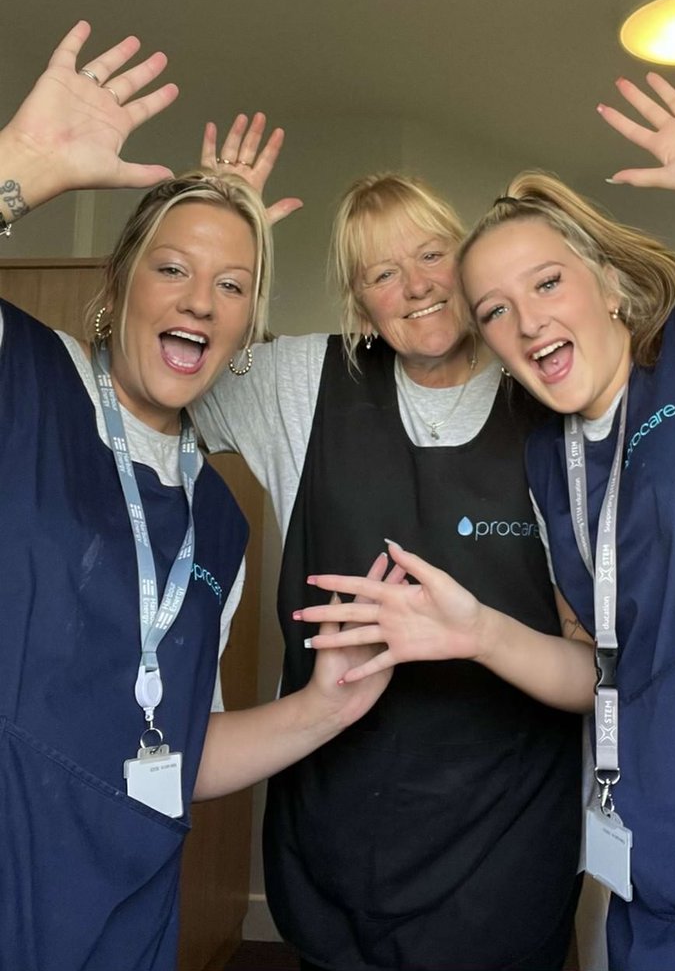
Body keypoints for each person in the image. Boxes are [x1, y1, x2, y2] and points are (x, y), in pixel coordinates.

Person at [299, 61, 675, 971]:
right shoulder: (549, 460)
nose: (524, 323)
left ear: (608, 283)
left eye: (545, 285)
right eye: (494, 311)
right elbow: (601, 674)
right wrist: (475, 631)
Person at [1, 22, 393, 971]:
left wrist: (327, 708)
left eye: (231, 284)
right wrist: (23, 167)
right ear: (119, 283)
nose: (199, 301)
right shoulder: (30, 380)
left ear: (246, 326)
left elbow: (183, 749)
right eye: (172, 268)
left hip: (122, 920)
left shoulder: (217, 515)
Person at [191, 132, 584, 971]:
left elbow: (595, 656)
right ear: (356, 301)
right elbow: (154, 370)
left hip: (507, 841)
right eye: (379, 274)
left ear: (468, 260)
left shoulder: (552, 397)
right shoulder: (299, 385)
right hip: (338, 830)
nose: (413, 287)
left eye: (432, 254)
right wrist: (217, 227)